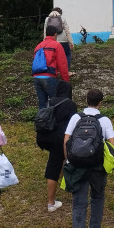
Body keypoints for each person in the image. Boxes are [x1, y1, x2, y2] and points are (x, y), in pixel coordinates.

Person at [63, 89, 114, 228]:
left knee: (79, 204)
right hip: (97, 168)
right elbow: (112, 144)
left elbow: (66, 139)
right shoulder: (105, 120)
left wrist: (69, 160)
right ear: (100, 102)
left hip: (77, 166)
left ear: (86, 101)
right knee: (98, 198)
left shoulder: (76, 118)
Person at [35, 80, 77, 213]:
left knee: (60, 162)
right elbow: (73, 124)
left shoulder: (50, 101)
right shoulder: (70, 104)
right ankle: (51, 203)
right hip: (60, 140)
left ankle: (67, 185)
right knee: (53, 168)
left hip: (47, 137)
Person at [32, 25, 70, 109]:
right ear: (55, 34)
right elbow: (62, 64)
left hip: (36, 77)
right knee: (56, 103)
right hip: (49, 77)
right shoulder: (56, 45)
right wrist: (66, 80)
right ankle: (57, 122)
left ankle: (41, 121)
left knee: (42, 104)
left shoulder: (38, 46)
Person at [44, 7, 75, 74]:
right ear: (60, 13)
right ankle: (66, 71)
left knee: (54, 55)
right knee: (67, 54)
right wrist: (71, 42)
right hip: (63, 40)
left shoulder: (47, 19)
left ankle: (55, 71)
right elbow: (67, 31)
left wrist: (45, 42)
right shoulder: (62, 19)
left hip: (52, 40)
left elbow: (45, 31)